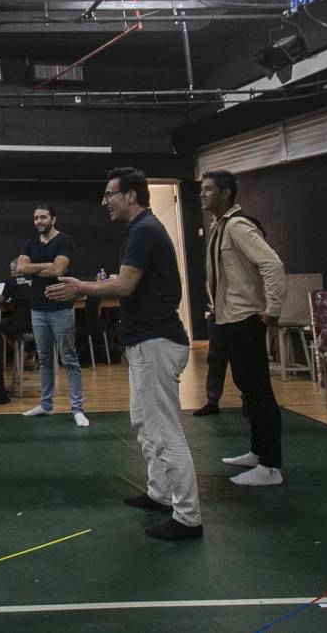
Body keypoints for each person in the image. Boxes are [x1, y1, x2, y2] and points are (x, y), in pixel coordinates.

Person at [46, 167, 202, 541]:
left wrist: (81, 287)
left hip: (156, 343)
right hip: (145, 342)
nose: (105, 201)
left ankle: (188, 516)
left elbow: (126, 285)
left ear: (131, 195)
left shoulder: (145, 231)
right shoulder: (140, 230)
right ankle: (161, 493)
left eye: (110, 194)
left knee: (164, 430)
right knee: (144, 423)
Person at [201, 170, 286, 486]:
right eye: (202, 189)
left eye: (208, 189)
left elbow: (272, 265)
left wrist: (272, 310)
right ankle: (257, 452)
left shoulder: (238, 227)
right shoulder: (218, 227)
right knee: (248, 390)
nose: (203, 194)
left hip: (245, 320)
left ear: (225, 193)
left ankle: (271, 466)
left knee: (260, 393)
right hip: (227, 320)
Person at [16, 204, 88, 427]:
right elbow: (19, 268)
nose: (39, 221)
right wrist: (48, 264)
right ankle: (46, 405)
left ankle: (77, 409)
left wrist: (37, 268)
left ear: (53, 219)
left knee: (69, 359)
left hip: (61, 308)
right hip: (37, 309)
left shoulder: (65, 241)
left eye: (43, 217)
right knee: (44, 359)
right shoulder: (30, 243)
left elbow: (58, 271)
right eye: (36, 218)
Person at [194, 303, 230, 417]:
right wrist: (213, 304)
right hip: (217, 316)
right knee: (215, 358)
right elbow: (208, 284)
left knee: (241, 360)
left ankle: (247, 401)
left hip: (238, 314)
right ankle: (212, 402)